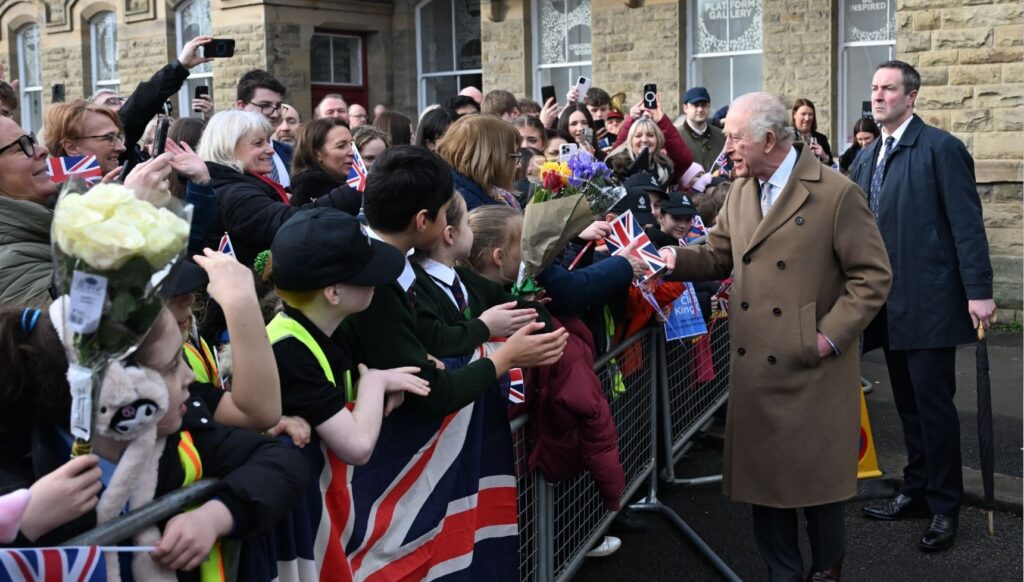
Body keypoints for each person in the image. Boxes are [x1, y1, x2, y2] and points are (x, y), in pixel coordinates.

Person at [658, 92, 892, 581]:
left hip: (811, 367)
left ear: (768, 139)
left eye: (734, 137)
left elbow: (872, 277)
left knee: (817, 486)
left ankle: (828, 570)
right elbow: (719, 251)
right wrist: (672, 259)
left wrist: (827, 338)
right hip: (757, 368)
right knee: (764, 486)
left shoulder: (835, 192)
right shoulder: (743, 190)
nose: (726, 148)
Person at [0, 305, 306, 579]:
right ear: (116, 391)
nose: (189, 376)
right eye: (173, 365)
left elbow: (282, 462)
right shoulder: (16, 474)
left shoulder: (176, 437)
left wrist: (215, 516)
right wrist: (23, 525)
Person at [853, 60, 996, 553]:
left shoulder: (941, 148)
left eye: (888, 89)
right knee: (908, 409)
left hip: (930, 302)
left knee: (934, 410)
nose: (878, 97)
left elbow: (966, 225)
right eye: (874, 88)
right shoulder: (867, 157)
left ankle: (943, 507)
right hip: (886, 306)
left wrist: (979, 291)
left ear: (911, 97)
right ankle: (914, 490)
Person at [197, 110, 356, 271]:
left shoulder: (238, 185)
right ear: (228, 147)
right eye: (258, 143)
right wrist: (354, 191)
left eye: (267, 141)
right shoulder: (235, 194)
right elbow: (288, 224)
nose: (271, 150)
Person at [436, 114, 522, 209]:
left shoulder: (458, 188)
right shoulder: (469, 205)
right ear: (491, 159)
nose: (519, 165)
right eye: (515, 156)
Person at [609, 97, 694, 187]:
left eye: (650, 135)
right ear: (630, 140)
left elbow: (684, 160)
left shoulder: (665, 167)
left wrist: (662, 120)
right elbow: (614, 153)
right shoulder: (617, 166)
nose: (644, 140)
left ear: (658, 139)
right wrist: (631, 119)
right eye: (638, 136)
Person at [235, 69, 293, 187]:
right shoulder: (228, 156)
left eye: (278, 106)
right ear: (241, 106)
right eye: (265, 105)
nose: (275, 114)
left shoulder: (290, 153)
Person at [289, 117, 359, 209]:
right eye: (341, 146)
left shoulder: (354, 182)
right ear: (317, 153)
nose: (352, 152)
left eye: (352, 144)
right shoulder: (309, 187)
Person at [44, 100, 128, 175]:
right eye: (109, 138)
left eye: (118, 137)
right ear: (72, 148)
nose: (122, 147)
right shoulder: (61, 191)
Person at [677, 87, 726, 172]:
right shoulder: (677, 137)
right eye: (695, 105)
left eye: (703, 105)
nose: (700, 109)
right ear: (685, 108)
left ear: (709, 107)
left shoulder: (720, 136)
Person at [792, 98, 834, 166]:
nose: (807, 118)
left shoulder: (821, 138)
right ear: (795, 115)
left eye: (810, 114)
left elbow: (832, 167)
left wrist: (825, 157)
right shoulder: (787, 138)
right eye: (803, 114)